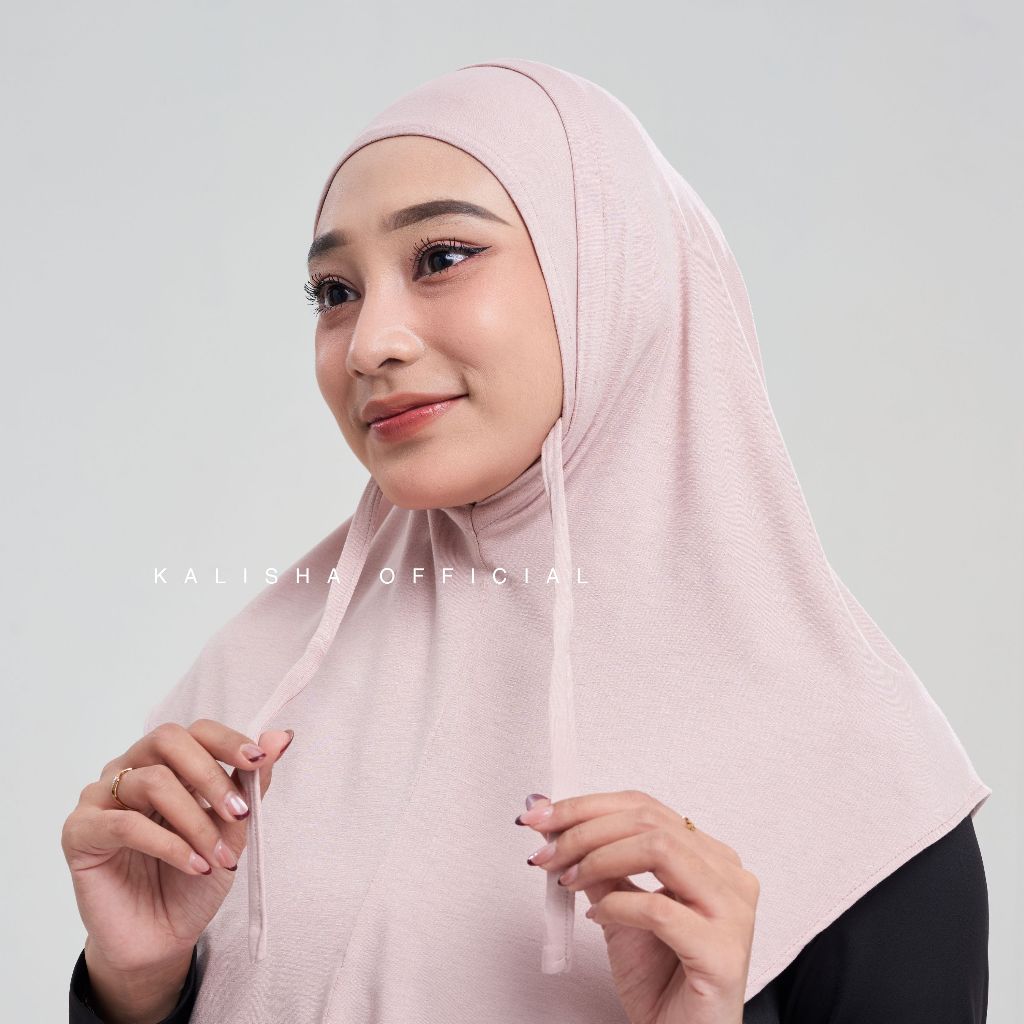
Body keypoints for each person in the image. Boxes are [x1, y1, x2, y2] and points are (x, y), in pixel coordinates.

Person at [63, 57, 992, 1023]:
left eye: (441, 258)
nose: (370, 342)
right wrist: (135, 989)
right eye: (333, 291)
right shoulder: (258, 687)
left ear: (610, 272)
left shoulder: (858, 779)